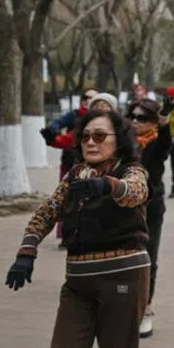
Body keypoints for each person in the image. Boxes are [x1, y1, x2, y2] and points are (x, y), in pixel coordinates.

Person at [5, 109, 151, 348]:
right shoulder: (75, 176)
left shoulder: (130, 170)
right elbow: (45, 213)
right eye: (85, 136)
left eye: (100, 136)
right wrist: (26, 252)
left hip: (124, 276)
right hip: (79, 282)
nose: (90, 142)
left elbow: (137, 192)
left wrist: (109, 186)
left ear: (119, 140)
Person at [126, 98, 174, 338]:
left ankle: (146, 310)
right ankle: (125, 309)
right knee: (125, 260)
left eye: (142, 118)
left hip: (151, 210)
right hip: (124, 210)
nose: (135, 122)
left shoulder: (157, 143)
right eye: (132, 116)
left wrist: (165, 123)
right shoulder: (122, 142)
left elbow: (166, 141)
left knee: (147, 260)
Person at [40, 89, 97, 247]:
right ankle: (68, 236)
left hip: (98, 170)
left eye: (93, 98)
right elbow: (67, 138)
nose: (88, 100)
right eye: (86, 97)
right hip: (72, 164)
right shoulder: (75, 116)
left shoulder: (110, 122)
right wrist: (52, 135)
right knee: (68, 200)